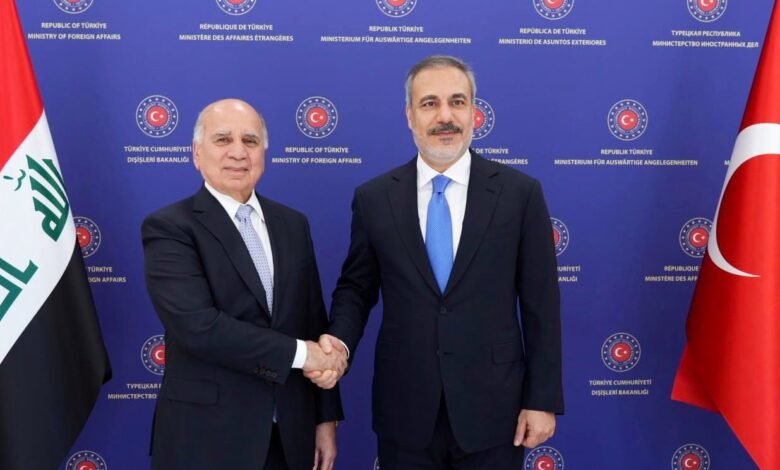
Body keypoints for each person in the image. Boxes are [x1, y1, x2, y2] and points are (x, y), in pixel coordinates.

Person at [309, 56, 564, 468]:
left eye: (457, 102)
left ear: (474, 112)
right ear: (409, 115)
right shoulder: (375, 199)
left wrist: (542, 399)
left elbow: (542, 305)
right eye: (429, 103)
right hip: (405, 410)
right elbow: (356, 289)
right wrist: (337, 344)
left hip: (496, 411)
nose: (445, 116)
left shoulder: (520, 194)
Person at [142, 99, 345, 470]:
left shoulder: (292, 224)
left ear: (263, 153)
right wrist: (304, 355)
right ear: (197, 153)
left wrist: (324, 419)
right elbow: (199, 327)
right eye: (223, 139)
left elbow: (313, 322)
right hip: (206, 439)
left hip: (290, 437)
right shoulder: (170, 227)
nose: (238, 152)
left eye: (250, 141)